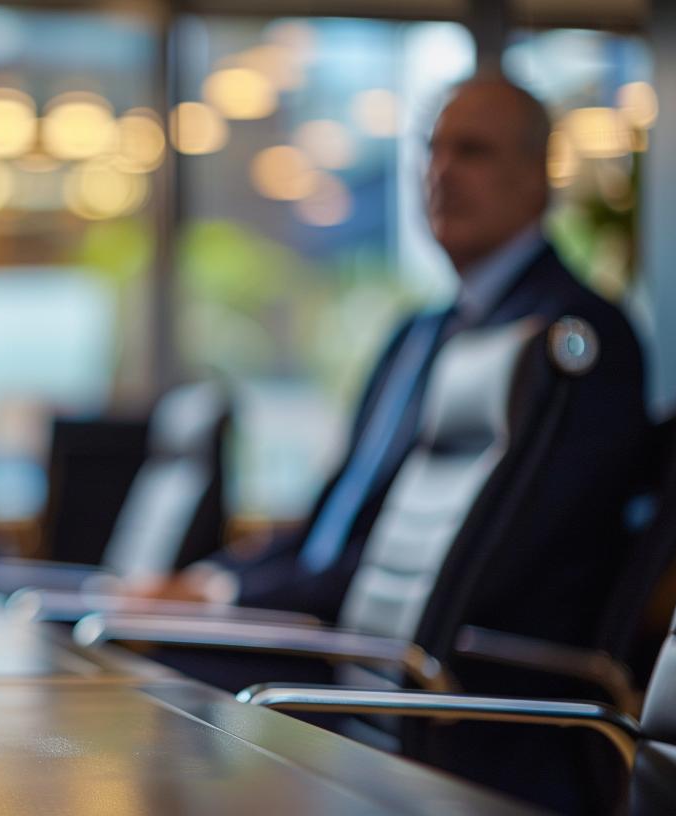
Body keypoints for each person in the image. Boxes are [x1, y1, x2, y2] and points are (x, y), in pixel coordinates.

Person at [138, 75, 649, 623]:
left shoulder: (576, 337)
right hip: (333, 634)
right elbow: (332, 522)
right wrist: (213, 583)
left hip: (444, 674)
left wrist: (234, 605)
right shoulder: (418, 334)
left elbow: (484, 564)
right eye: (432, 149)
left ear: (535, 178)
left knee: (142, 682)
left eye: (472, 151)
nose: (441, 171)